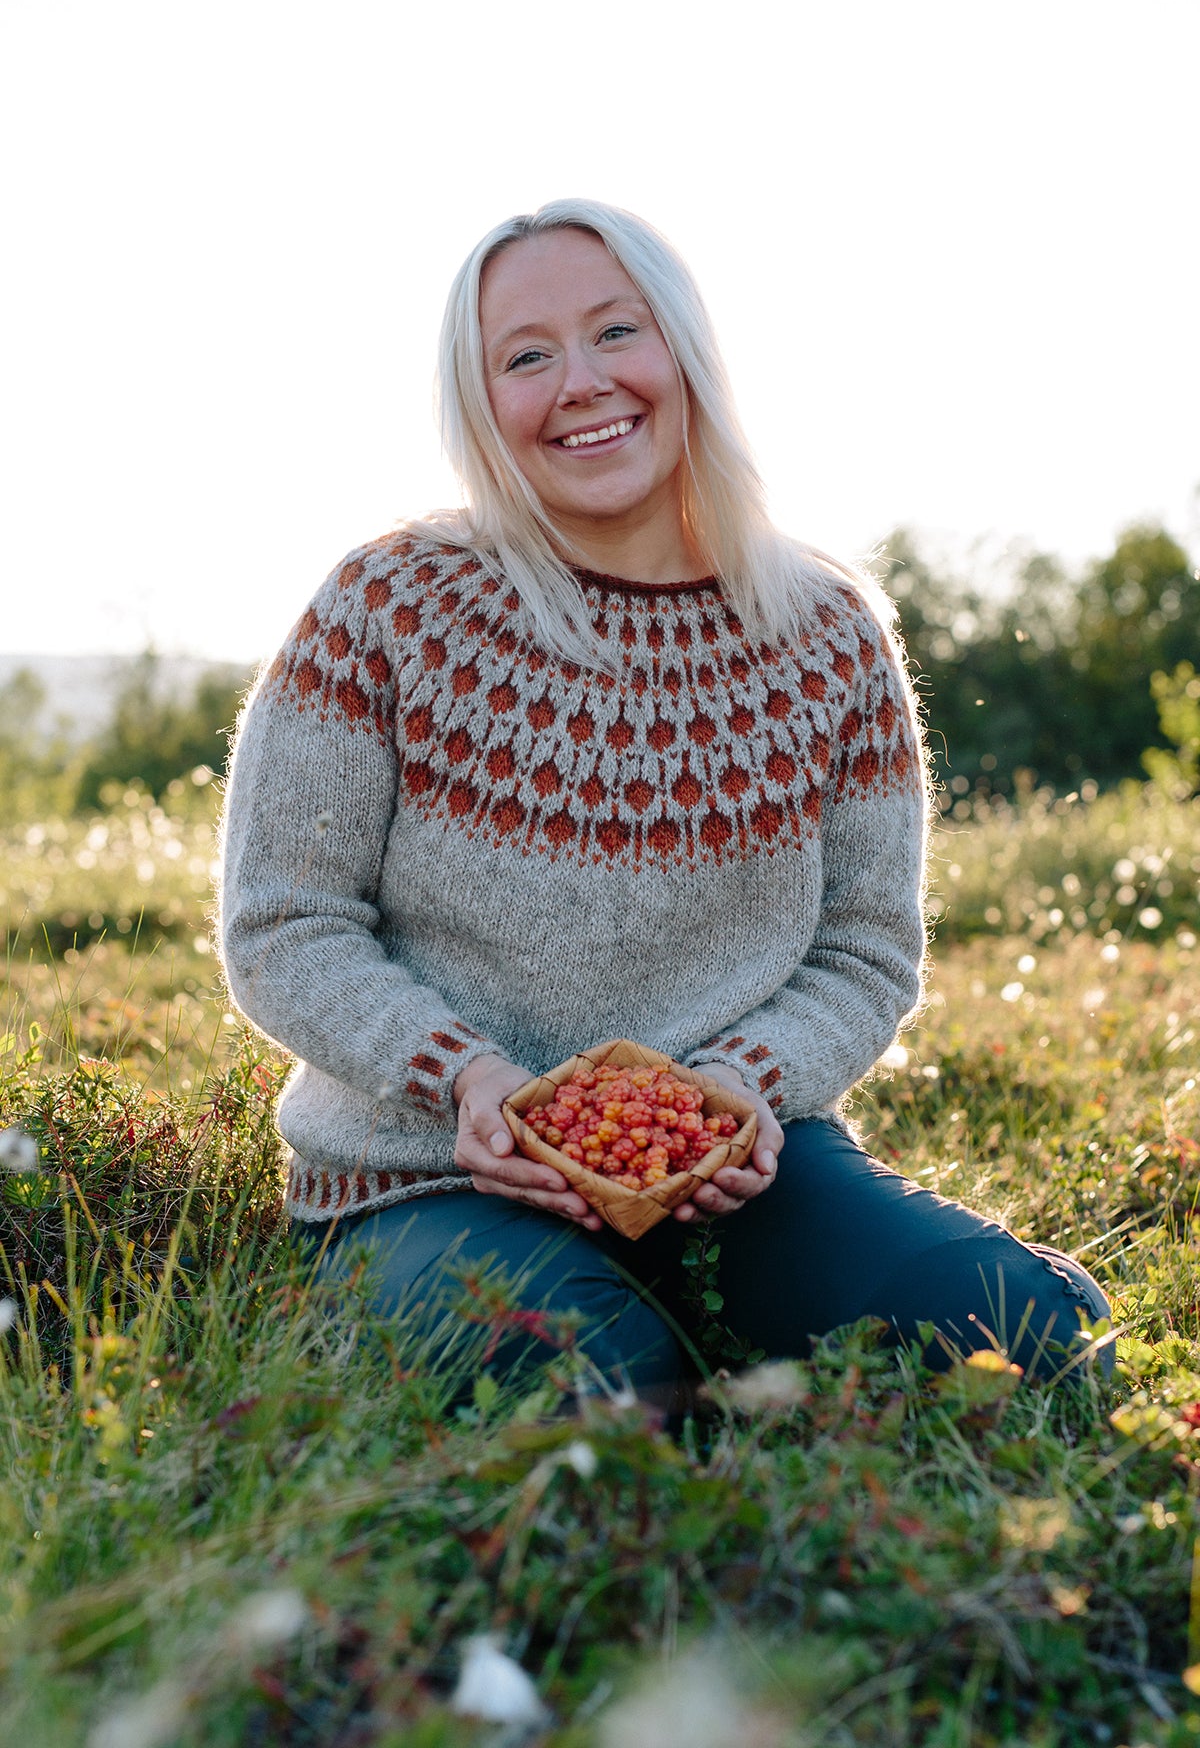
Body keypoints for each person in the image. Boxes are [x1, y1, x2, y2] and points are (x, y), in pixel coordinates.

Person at [218, 199, 1111, 1402]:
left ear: (684, 352)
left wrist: (741, 1086)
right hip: (427, 1173)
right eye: (525, 356)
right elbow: (285, 924)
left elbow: (864, 949)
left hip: (741, 1168)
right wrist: (470, 1080)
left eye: (615, 333)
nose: (580, 382)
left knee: (1023, 1330)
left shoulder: (826, 635)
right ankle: (591, 1323)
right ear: (481, 406)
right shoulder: (387, 607)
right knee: (598, 1392)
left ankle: (759, 1290)